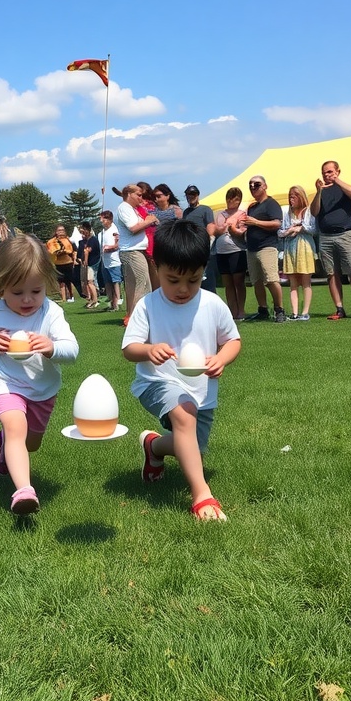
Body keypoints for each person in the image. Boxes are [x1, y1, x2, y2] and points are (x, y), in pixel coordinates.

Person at [122, 220, 240, 522]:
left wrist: (222, 359)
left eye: (194, 280)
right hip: (156, 383)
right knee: (184, 412)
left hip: (202, 392)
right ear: (155, 265)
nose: (183, 289)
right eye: (173, 280)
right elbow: (128, 349)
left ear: (204, 270)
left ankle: (155, 446)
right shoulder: (148, 305)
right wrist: (148, 350)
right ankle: (202, 495)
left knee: (193, 450)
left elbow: (232, 341)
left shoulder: (212, 304)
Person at [0, 234, 79, 516]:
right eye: (17, 293)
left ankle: (6, 450)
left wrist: (52, 348)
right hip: (4, 383)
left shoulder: (51, 313)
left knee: (32, 442)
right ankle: (24, 491)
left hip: (42, 388)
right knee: (16, 427)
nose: (28, 299)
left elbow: (72, 349)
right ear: (2, 287)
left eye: (36, 291)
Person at [310, 161, 351, 320]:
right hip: (326, 237)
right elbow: (314, 212)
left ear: (338, 171)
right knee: (331, 273)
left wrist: (336, 180)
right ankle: (339, 309)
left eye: (329, 172)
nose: (326, 175)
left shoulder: (343, 187)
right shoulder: (321, 191)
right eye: (324, 172)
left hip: (346, 235)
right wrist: (318, 192)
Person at [240, 177, 286, 322]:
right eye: (251, 185)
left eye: (257, 184)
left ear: (265, 186)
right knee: (256, 281)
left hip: (267, 246)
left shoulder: (271, 204)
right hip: (252, 248)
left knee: (271, 279)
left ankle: (279, 310)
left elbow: (277, 223)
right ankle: (263, 310)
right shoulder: (252, 207)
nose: (253, 187)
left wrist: (255, 222)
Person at [115, 184, 159, 322]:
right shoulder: (124, 208)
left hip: (136, 250)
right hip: (131, 251)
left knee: (135, 286)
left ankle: (134, 317)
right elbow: (133, 228)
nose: (141, 198)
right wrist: (149, 221)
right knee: (143, 282)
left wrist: (150, 221)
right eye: (138, 195)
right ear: (129, 194)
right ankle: (139, 318)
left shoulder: (133, 209)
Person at [278, 185, 317, 320]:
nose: (291, 198)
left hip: (305, 247)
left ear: (301, 197)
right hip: (290, 248)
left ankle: (305, 312)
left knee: (306, 280)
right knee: (293, 282)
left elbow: (313, 229)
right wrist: (289, 231)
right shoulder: (287, 213)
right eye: (290, 196)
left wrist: (300, 228)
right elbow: (280, 231)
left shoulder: (308, 211)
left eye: (294, 196)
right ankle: (294, 313)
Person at [213, 187, 247, 321]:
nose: (233, 201)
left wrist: (229, 227)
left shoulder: (242, 214)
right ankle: (232, 311)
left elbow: (241, 231)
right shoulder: (220, 214)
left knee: (238, 282)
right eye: (231, 198)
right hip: (221, 251)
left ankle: (241, 311)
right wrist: (225, 227)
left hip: (237, 250)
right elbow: (217, 230)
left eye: (237, 198)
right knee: (228, 283)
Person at [183, 185, 217, 293]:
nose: (191, 197)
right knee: (193, 282)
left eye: (193, 194)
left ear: (197, 195)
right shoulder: (186, 212)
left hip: (203, 249)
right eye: (188, 195)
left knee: (207, 283)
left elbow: (211, 226)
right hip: (190, 250)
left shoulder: (205, 209)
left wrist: (207, 244)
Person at [98, 210, 122, 311]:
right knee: (107, 282)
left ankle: (117, 303)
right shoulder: (101, 233)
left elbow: (118, 245)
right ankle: (111, 303)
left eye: (104, 218)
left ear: (110, 219)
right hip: (105, 261)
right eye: (101, 218)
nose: (102, 220)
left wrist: (109, 248)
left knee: (115, 282)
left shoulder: (115, 230)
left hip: (114, 260)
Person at [46, 225, 76, 302]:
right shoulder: (51, 241)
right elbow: (51, 251)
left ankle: (71, 296)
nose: (61, 232)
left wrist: (71, 255)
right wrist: (58, 252)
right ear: (56, 232)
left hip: (68, 262)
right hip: (58, 263)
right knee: (61, 281)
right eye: (59, 230)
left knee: (69, 280)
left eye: (62, 230)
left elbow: (73, 250)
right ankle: (63, 298)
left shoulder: (68, 240)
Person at [76, 222, 100, 308]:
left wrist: (85, 262)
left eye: (83, 230)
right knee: (88, 281)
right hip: (89, 263)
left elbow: (87, 251)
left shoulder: (92, 240)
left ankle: (95, 300)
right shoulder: (87, 240)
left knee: (90, 282)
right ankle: (92, 299)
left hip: (92, 263)